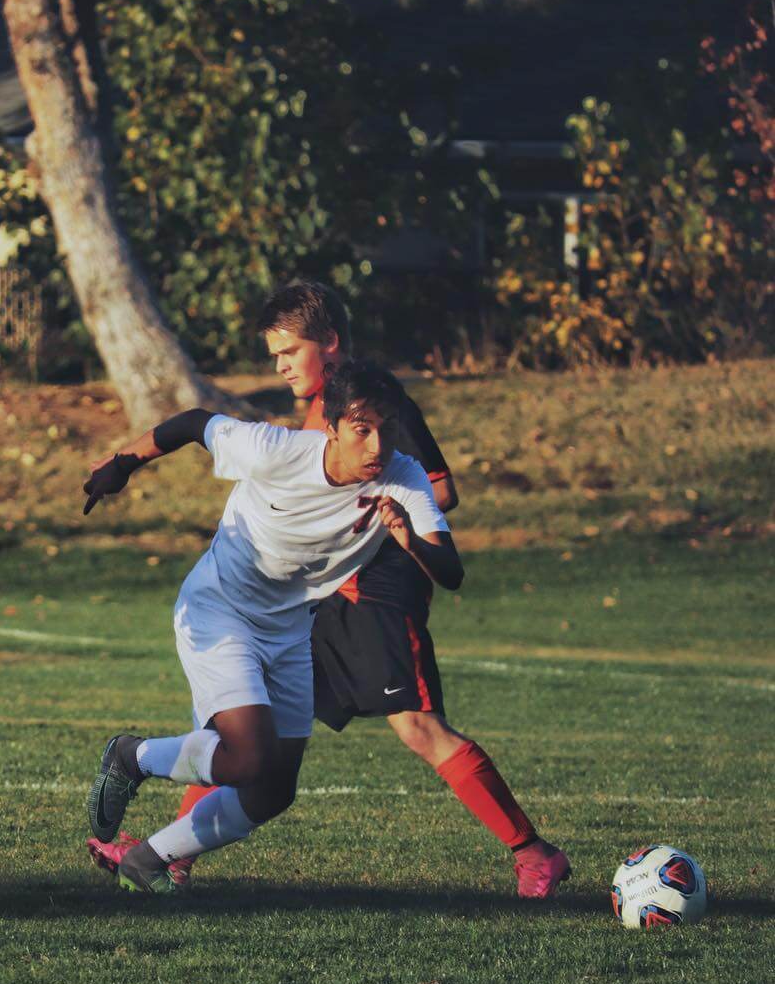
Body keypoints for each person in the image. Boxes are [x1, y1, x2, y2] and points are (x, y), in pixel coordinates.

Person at [90, 280, 571, 899]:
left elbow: (435, 491)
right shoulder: (298, 430)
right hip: (296, 597)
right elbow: (209, 433)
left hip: (370, 591)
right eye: (275, 355)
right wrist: (126, 462)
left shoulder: (379, 411)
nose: (282, 364)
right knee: (250, 747)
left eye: (290, 351)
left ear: (331, 347)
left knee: (407, 728)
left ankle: (533, 854)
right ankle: (166, 852)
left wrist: (389, 527)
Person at [84, 359, 463, 894]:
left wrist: (411, 540)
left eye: (387, 429)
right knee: (247, 756)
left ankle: (146, 860)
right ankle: (131, 756)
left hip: (289, 630)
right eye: (362, 430)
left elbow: (451, 572)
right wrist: (124, 463)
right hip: (221, 610)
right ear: (330, 427)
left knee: (273, 791)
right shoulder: (275, 450)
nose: (377, 445)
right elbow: (194, 422)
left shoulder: (403, 478)